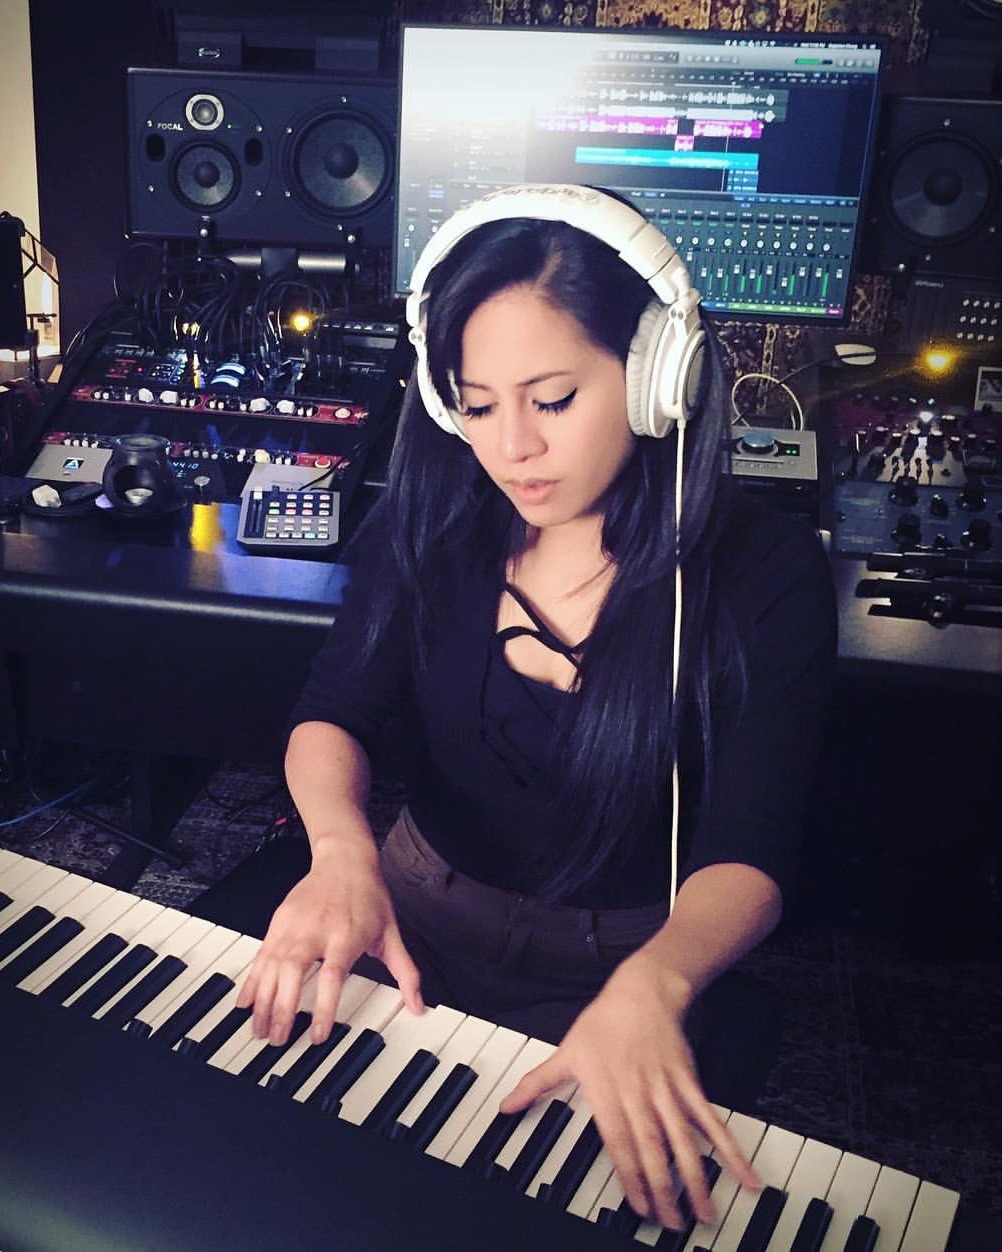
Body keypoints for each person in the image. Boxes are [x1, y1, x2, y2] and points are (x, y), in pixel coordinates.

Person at [234, 184, 837, 1231]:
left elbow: (753, 847)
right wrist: (339, 856)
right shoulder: (434, 519)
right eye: (476, 405)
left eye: (551, 400)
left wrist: (657, 986)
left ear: (655, 379)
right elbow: (333, 709)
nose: (510, 447)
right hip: (405, 911)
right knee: (275, 1172)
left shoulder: (765, 572)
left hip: (629, 966)